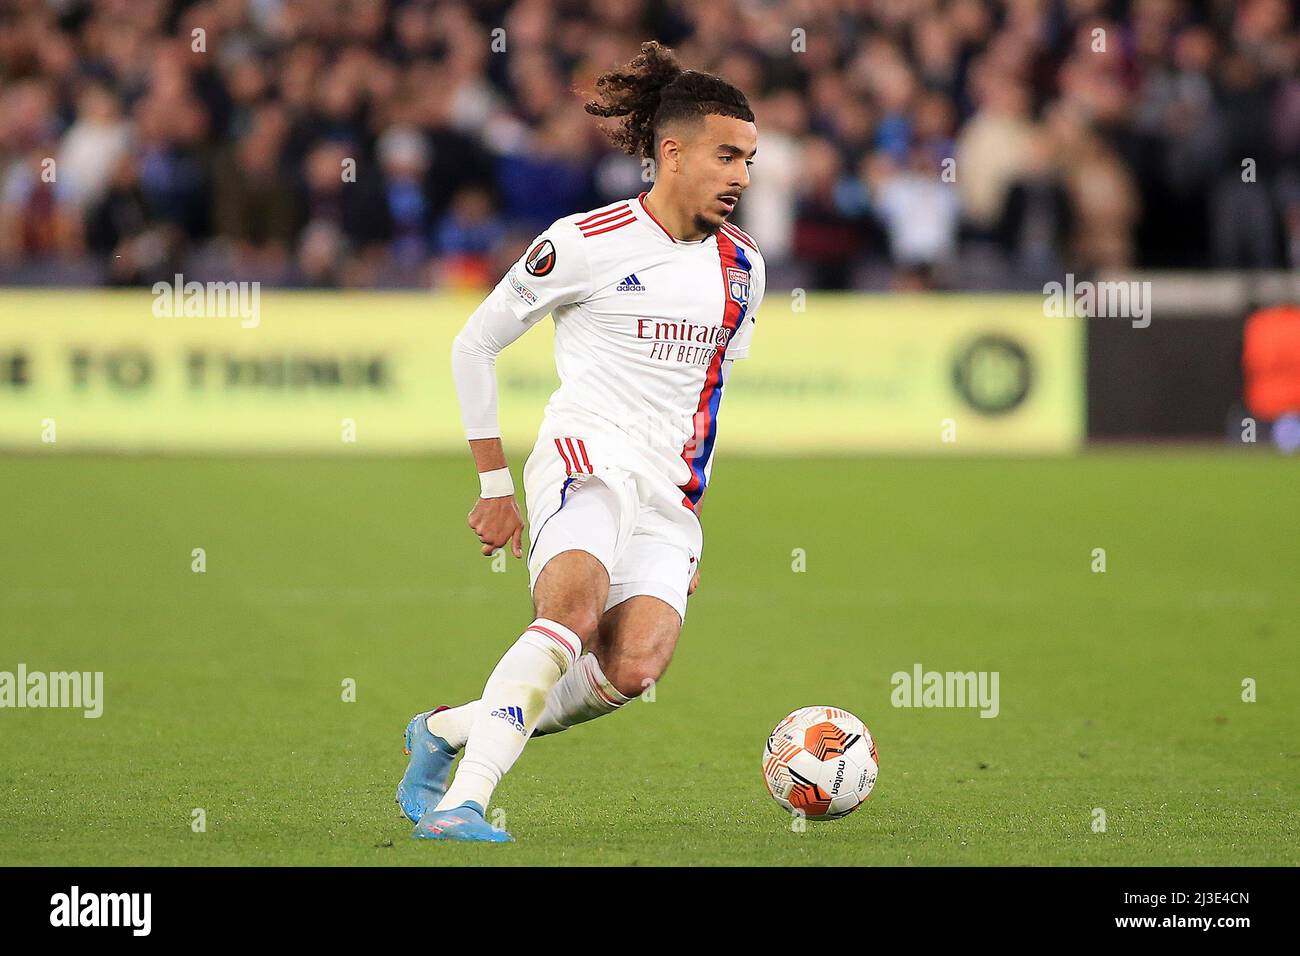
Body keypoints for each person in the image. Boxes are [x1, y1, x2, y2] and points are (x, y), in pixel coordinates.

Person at [396, 41, 766, 842]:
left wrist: (684, 521)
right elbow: (474, 344)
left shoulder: (744, 270)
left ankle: (447, 730)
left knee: (632, 667)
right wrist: (495, 486)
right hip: (586, 453)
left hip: (665, 492)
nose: (741, 174)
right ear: (673, 154)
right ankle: (464, 802)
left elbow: (705, 401)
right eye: (726, 156)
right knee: (570, 613)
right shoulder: (585, 240)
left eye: (749, 159)